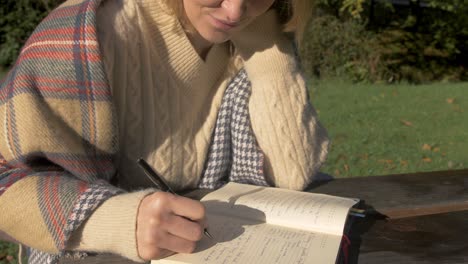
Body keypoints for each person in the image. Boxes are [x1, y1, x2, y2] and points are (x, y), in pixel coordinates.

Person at [0, 0, 329, 263]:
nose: (235, 11)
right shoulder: (86, 36)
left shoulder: (251, 38)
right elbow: (6, 184)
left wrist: (271, 59)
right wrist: (117, 219)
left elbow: (291, 174)